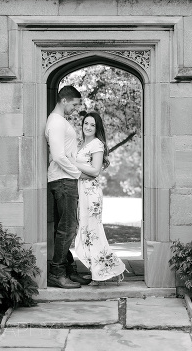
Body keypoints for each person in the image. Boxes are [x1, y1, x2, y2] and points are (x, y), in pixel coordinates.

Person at [73, 111, 127, 284]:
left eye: (92, 125)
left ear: (97, 128)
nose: (88, 127)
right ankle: (101, 270)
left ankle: (110, 269)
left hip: (91, 194)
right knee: (86, 233)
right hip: (82, 191)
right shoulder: (81, 144)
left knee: (93, 233)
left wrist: (73, 164)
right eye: (86, 123)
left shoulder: (97, 144)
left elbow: (95, 171)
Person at [45, 85, 90, 289]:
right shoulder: (55, 122)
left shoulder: (60, 121)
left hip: (65, 179)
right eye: (73, 104)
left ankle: (68, 270)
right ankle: (57, 273)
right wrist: (77, 174)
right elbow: (58, 155)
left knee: (64, 228)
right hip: (63, 180)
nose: (75, 108)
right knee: (68, 228)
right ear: (64, 100)